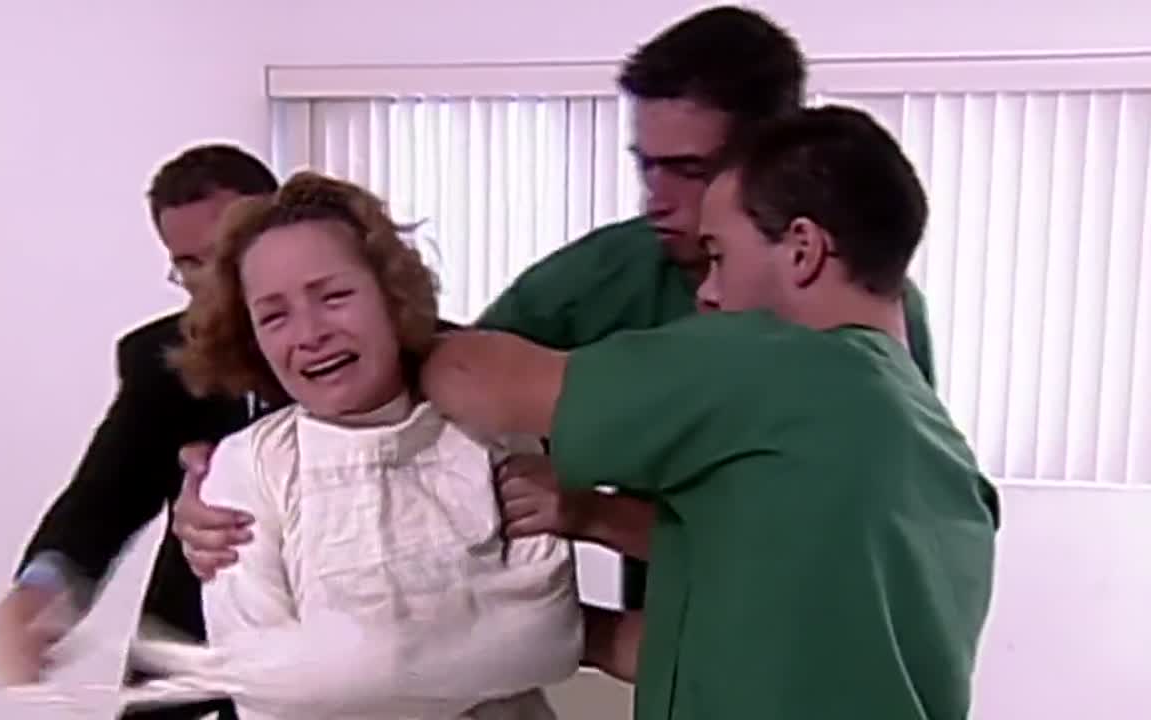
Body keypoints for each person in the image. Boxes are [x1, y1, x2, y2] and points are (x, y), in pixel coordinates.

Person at [169, 6, 940, 611]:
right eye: (646, 165)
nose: (657, 198)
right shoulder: (615, 269)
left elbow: (813, 552)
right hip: (674, 646)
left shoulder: (865, 336)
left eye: (688, 170)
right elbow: (428, 380)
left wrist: (594, 518)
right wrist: (252, 474)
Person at [418, 105, 1000, 719]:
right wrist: (553, 581)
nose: (707, 293)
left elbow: (474, 379)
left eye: (718, 256)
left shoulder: (779, 366)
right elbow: (733, 636)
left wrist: (376, 330)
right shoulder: (946, 468)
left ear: (802, 249)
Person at [102, 171, 581, 720]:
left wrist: (347, 668)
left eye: (334, 297)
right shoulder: (246, 469)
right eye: (274, 316)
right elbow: (267, 686)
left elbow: (548, 638)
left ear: (392, 296)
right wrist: (472, 651)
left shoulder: (492, 430)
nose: (310, 334)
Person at [0, 144, 280, 720]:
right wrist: (41, 592)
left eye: (227, 255)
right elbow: (107, 493)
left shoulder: (399, 349)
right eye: (190, 264)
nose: (215, 283)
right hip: (193, 648)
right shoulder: (161, 358)